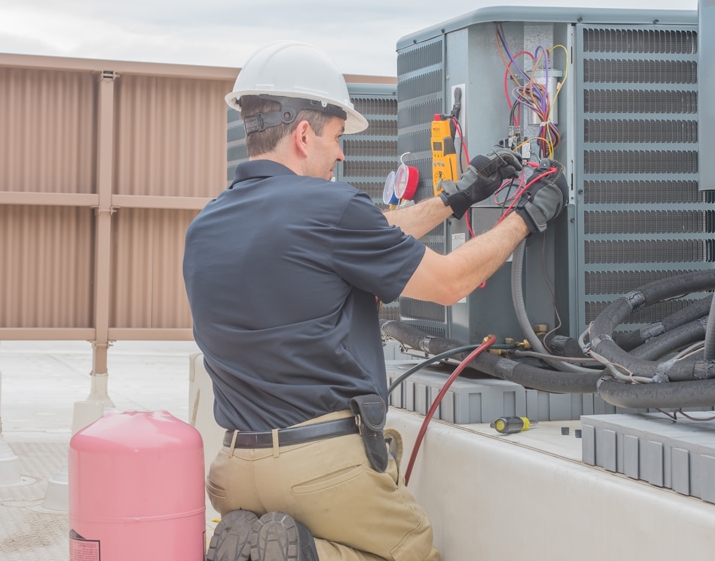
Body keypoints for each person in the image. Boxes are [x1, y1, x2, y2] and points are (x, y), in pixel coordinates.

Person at [182, 40, 567, 561]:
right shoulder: (330, 208)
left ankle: (264, 548)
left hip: (234, 469)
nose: (342, 154)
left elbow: (373, 233)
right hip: (319, 466)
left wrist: (457, 198)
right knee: (412, 552)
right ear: (302, 134)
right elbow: (451, 281)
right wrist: (524, 216)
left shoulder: (208, 223)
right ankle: (307, 555)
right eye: (338, 138)